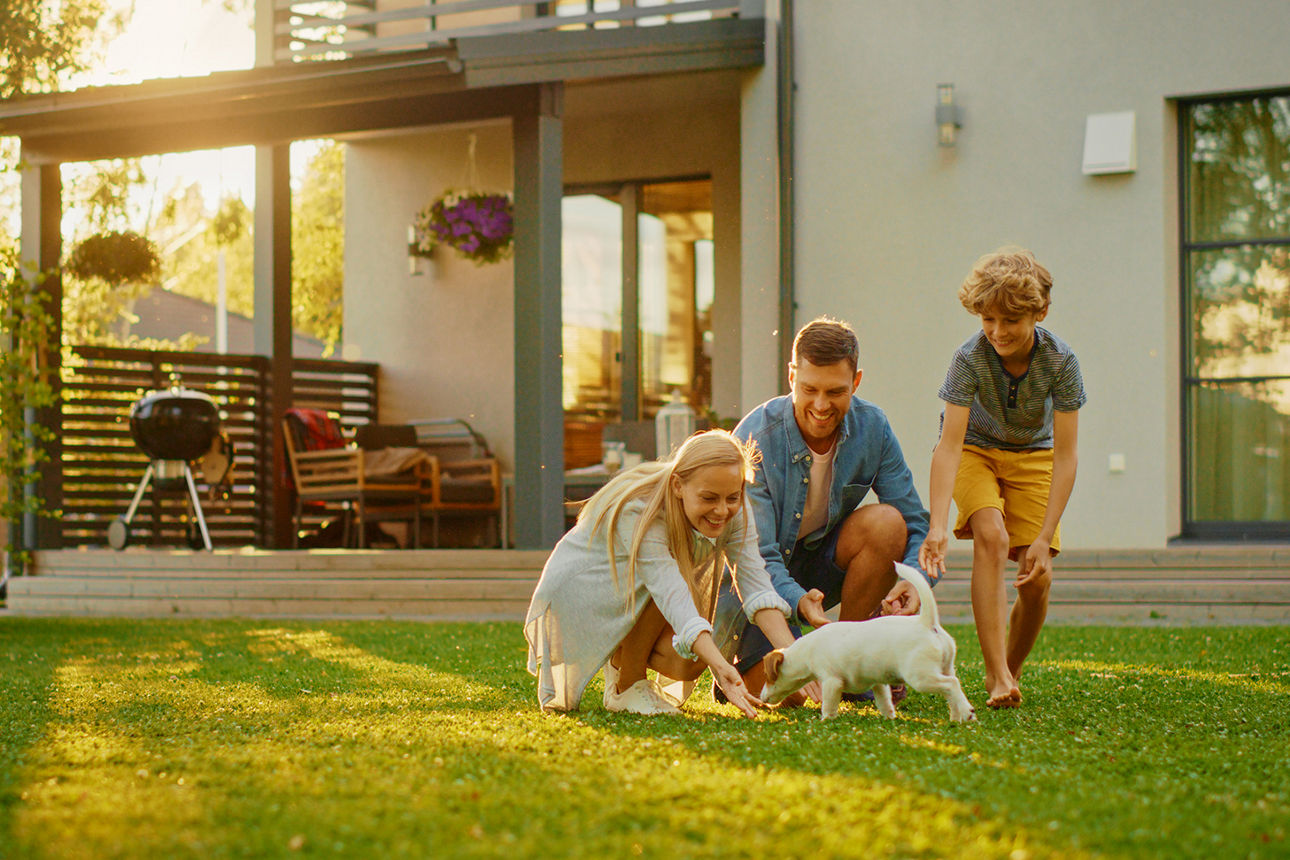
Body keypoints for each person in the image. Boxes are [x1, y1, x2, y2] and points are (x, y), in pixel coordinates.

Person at [716, 316, 934, 703]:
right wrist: (799, 604)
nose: (821, 405)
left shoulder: (874, 428)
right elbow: (759, 558)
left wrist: (915, 581)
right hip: (755, 582)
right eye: (809, 389)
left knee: (887, 523)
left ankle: (852, 661)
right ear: (791, 376)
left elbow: (916, 522)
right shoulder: (755, 437)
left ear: (857, 382)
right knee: (790, 695)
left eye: (835, 391)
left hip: (820, 566)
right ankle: (749, 662)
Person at [524, 429, 797, 717]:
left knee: (688, 663)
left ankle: (620, 661)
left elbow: (757, 587)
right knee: (677, 601)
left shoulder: (734, 508)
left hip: (638, 592)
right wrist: (722, 666)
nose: (722, 510)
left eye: (733, 496)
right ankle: (626, 686)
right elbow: (669, 592)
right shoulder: (642, 510)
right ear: (678, 485)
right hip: (584, 591)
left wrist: (799, 660)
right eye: (709, 498)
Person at [918, 247, 1085, 709]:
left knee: (1036, 578)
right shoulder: (969, 358)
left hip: (1035, 455)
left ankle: (1009, 672)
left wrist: (1046, 535)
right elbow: (949, 445)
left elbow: (1067, 454)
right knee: (991, 534)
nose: (997, 332)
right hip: (976, 451)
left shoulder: (1061, 361)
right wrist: (937, 525)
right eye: (987, 319)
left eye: (1009, 321)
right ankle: (994, 674)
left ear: (1040, 311)